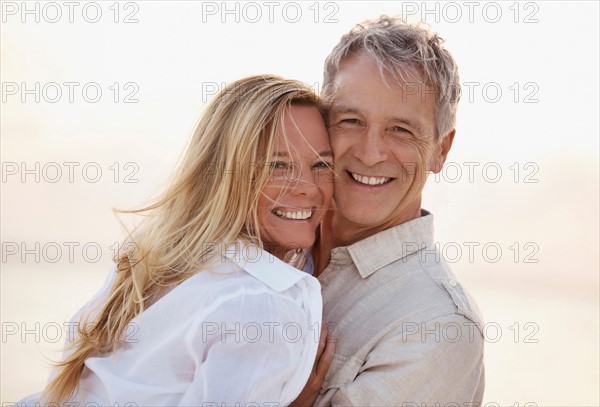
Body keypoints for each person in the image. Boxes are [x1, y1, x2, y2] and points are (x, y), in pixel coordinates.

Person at [17, 75, 336, 406]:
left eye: (321, 164)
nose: (306, 187)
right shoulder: (262, 305)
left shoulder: (154, 250)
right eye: (277, 165)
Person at [303, 16, 485, 405]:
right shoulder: (261, 244)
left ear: (441, 150)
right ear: (322, 127)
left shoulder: (437, 326)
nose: (370, 153)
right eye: (350, 121)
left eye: (401, 130)